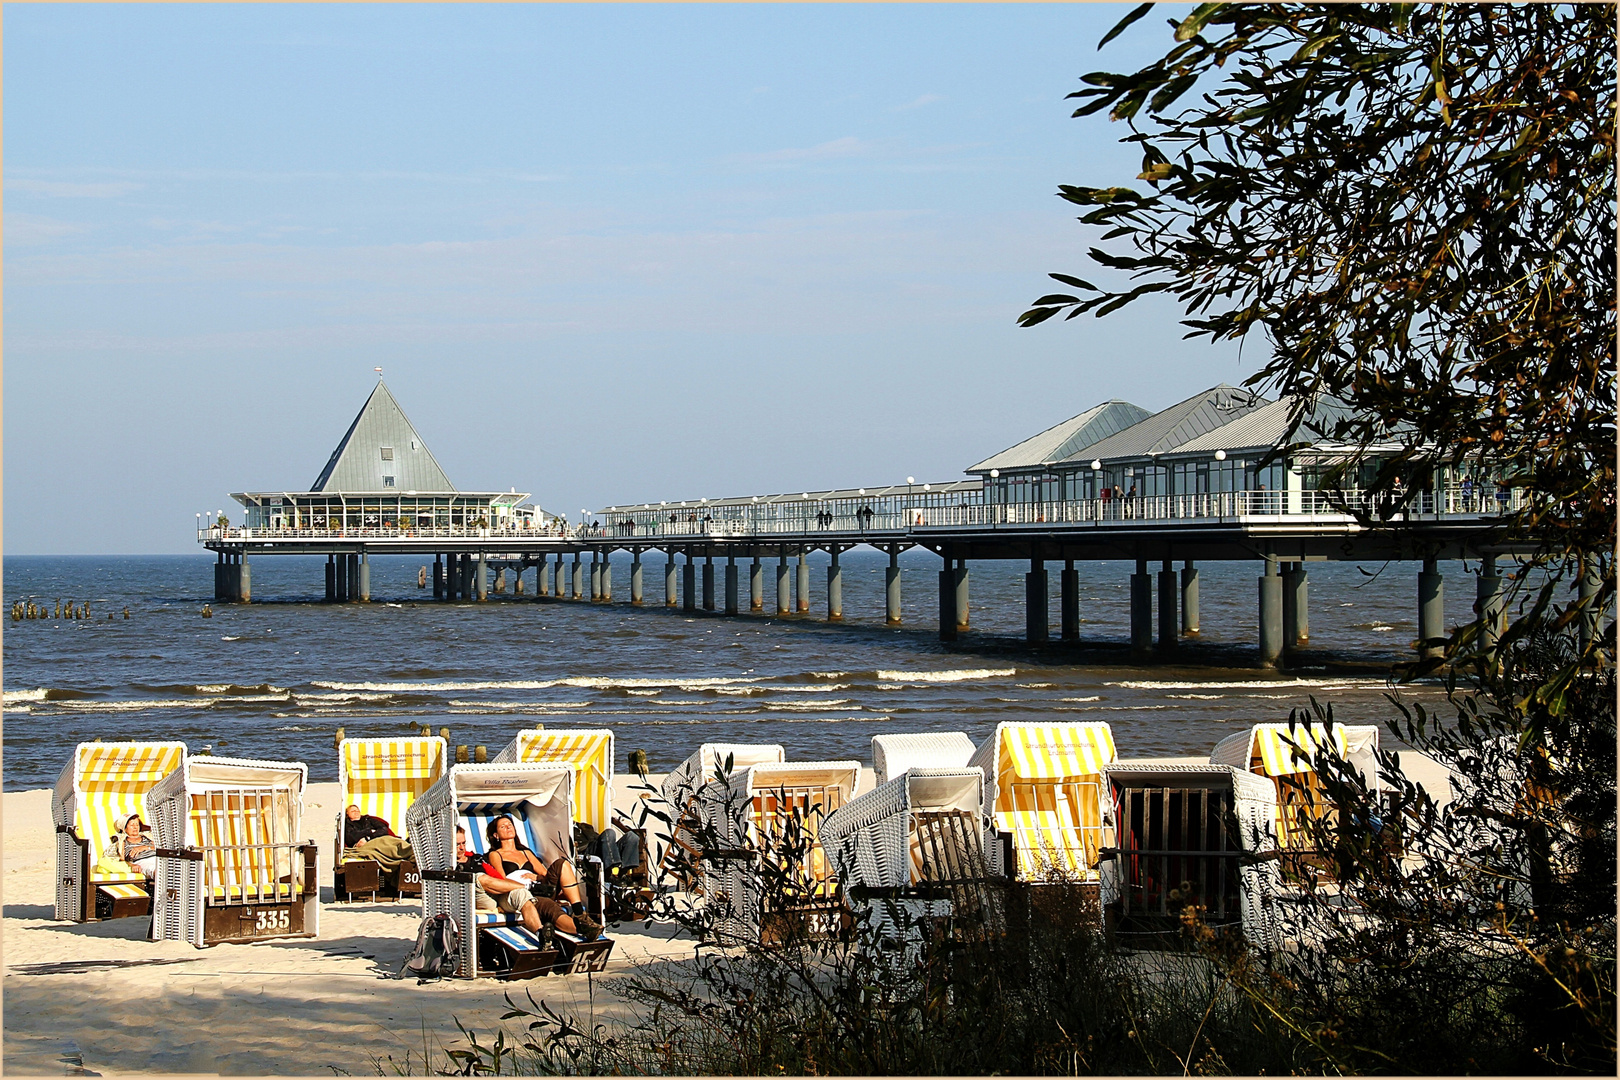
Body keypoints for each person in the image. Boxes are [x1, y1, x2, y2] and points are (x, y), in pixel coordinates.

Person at [481, 814, 601, 939]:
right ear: (496, 835)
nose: (508, 827)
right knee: (550, 906)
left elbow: (544, 873)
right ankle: (583, 930)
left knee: (562, 864)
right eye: (503, 826)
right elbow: (502, 880)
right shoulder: (495, 854)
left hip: (542, 888)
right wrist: (526, 885)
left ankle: (578, 913)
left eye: (510, 825)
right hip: (526, 894)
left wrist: (536, 878)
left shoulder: (525, 852)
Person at [341, 804, 413, 872]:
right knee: (386, 847)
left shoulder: (368, 819)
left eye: (357, 811)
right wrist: (369, 831)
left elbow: (383, 829)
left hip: (378, 839)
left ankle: (408, 849)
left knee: (392, 842)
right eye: (353, 811)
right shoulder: (348, 825)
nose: (356, 812)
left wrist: (369, 837)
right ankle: (407, 852)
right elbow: (351, 837)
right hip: (367, 845)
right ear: (347, 813)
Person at [112, 812, 157, 880]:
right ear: (124, 828)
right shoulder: (122, 842)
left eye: (137, 824)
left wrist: (145, 847)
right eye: (132, 825)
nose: (135, 827)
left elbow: (162, 849)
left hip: (158, 858)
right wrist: (132, 865)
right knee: (157, 872)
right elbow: (120, 860)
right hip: (142, 861)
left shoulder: (148, 837)